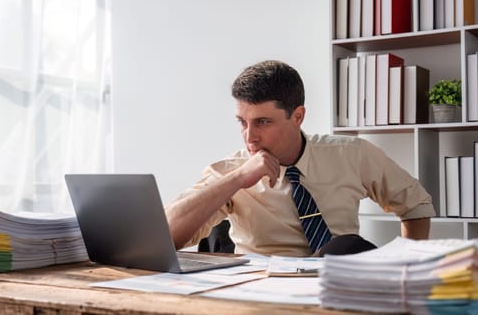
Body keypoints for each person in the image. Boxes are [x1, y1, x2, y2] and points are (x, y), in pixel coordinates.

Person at [165, 60, 435, 257]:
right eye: (242, 122)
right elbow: (165, 235)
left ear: (297, 116)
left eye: (262, 122)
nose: (250, 137)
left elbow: (416, 204)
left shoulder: (352, 154)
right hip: (260, 291)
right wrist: (237, 179)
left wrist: (407, 265)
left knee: (349, 247)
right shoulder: (231, 169)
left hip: (335, 282)